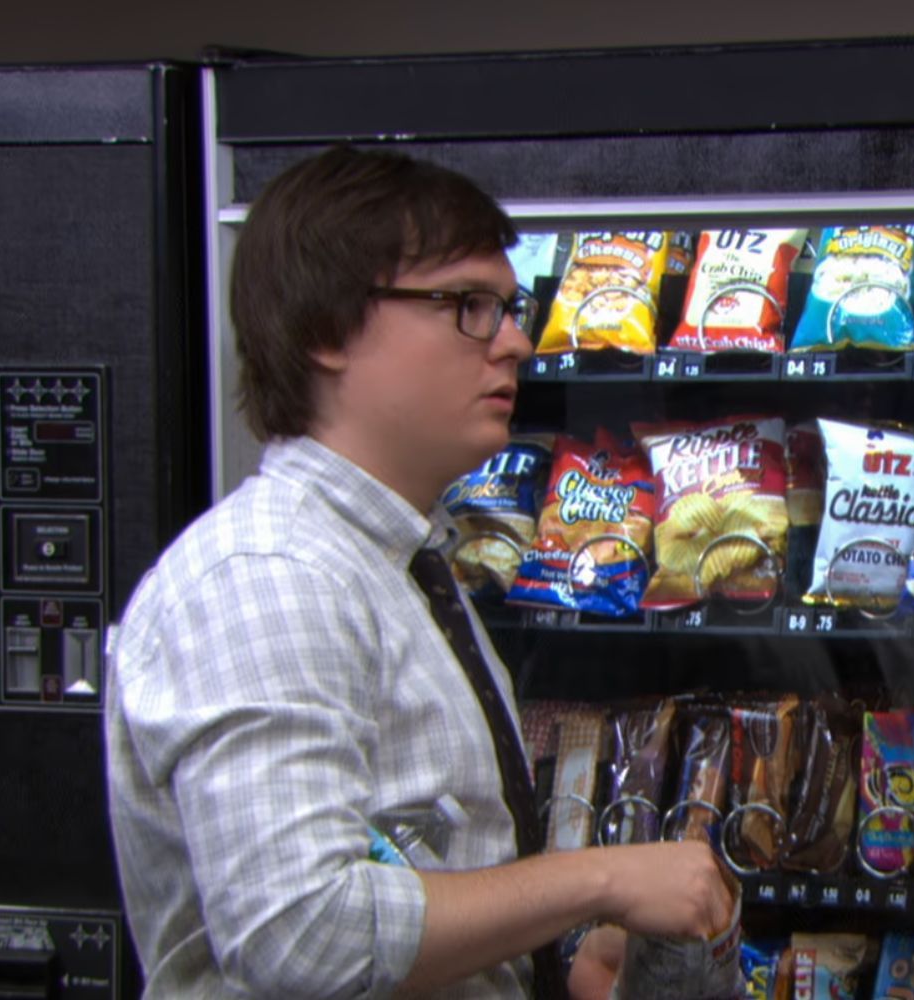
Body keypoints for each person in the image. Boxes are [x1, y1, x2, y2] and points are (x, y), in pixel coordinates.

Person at [104, 145, 732, 998]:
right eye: (468, 304)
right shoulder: (267, 576)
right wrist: (600, 880)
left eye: (511, 307)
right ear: (326, 330)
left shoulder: (397, 566)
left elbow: (416, 883)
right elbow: (303, 936)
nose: (515, 342)